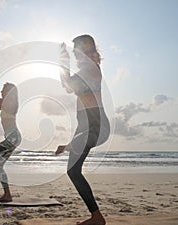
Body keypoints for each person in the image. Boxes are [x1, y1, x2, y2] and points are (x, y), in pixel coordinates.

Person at [56, 35, 110, 225]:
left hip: (97, 125)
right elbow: (69, 87)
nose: (76, 53)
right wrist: (71, 144)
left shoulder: (91, 69)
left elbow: (69, 86)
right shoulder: (84, 71)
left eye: (79, 49)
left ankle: (97, 217)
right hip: (88, 127)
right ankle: (96, 216)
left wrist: (63, 61)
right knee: (73, 170)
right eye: (75, 50)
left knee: (73, 170)